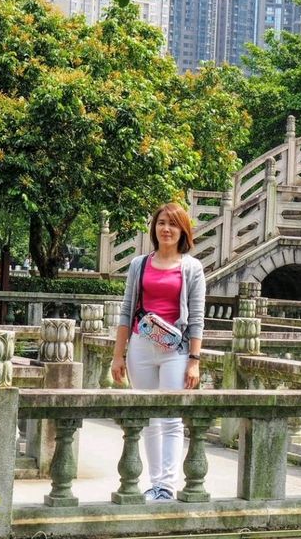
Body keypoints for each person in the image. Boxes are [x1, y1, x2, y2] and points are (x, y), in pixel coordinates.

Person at [111, 202, 206, 501]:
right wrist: (118, 354)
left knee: (171, 418)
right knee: (150, 418)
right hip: (141, 345)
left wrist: (194, 360)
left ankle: (166, 485)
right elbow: (127, 311)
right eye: (162, 223)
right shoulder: (139, 264)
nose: (166, 229)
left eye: (173, 224)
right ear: (154, 228)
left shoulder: (192, 267)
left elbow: (198, 318)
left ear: (183, 231)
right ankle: (156, 485)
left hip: (176, 350)